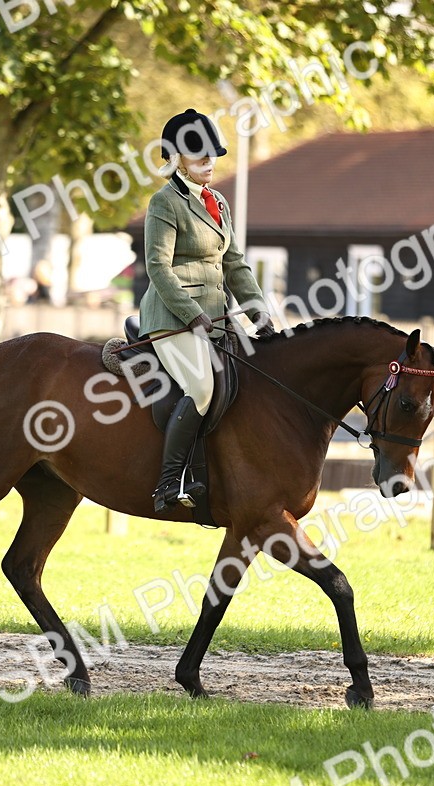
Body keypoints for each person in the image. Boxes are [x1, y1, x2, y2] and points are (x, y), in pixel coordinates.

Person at [140, 108, 275, 514]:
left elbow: (234, 265)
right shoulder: (165, 202)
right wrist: (190, 313)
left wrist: (260, 315)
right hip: (172, 318)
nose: (209, 165)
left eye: (213, 157)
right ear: (177, 159)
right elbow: (157, 267)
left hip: (217, 318)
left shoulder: (217, 202)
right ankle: (168, 481)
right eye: (200, 158)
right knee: (202, 388)